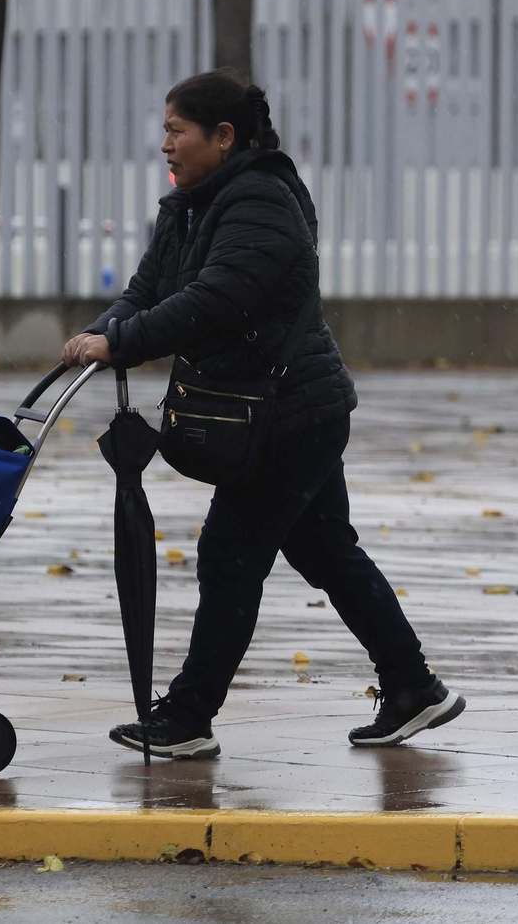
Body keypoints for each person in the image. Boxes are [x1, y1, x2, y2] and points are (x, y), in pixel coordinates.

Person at [61, 71, 465, 759]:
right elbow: (148, 290)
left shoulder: (261, 203)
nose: (165, 144)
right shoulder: (189, 204)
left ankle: (188, 718)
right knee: (326, 551)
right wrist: (102, 334)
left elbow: (216, 300)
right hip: (271, 410)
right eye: (165, 129)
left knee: (230, 555)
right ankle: (413, 688)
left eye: (176, 130)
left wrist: (123, 340)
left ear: (223, 137)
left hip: (289, 416)